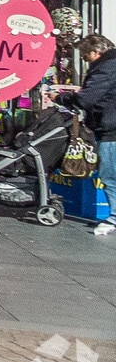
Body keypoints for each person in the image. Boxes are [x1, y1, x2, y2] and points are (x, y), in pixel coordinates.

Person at [68, 33, 116, 237]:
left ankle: (114, 216)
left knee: (110, 175)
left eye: (85, 55)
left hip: (112, 128)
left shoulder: (106, 67)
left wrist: (62, 98)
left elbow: (87, 99)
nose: (83, 59)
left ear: (95, 52)